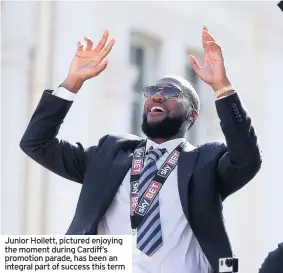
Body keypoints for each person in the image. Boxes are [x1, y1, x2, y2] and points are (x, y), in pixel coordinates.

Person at [20, 26, 262, 273]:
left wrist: (222, 87)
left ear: (193, 114)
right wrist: (72, 83)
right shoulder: (109, 154)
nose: (157, 96)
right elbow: (36, 143)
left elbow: (247, 158)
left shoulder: (206, 162)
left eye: (170, 92)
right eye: (151, 91)